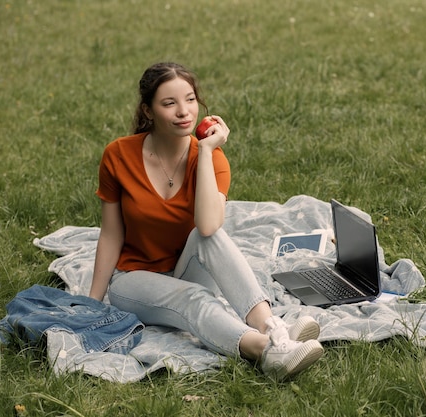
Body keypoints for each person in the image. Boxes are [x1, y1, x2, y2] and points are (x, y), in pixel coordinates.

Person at [88, 62, 323, 380]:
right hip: (135, 280)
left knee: (208, 236)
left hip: (187, 269)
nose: (184, 111)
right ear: (148, 110)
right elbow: (111, 234)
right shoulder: (118, 155)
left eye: (190, 100)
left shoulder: (211, 159)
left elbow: (209, 227)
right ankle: (267, 351)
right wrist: (92, 303)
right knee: (194, 299)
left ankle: (272, 328)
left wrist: (208, 151)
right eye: (169, 103)